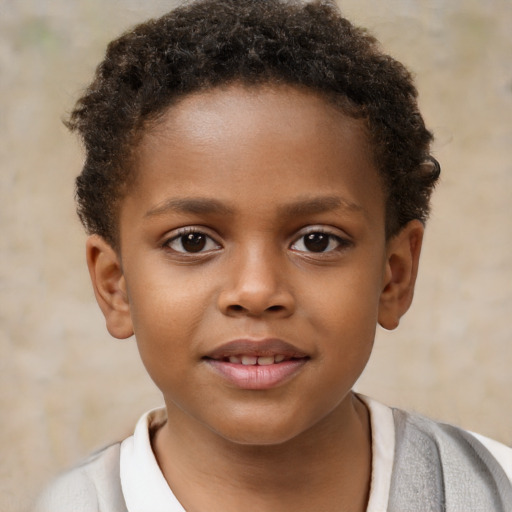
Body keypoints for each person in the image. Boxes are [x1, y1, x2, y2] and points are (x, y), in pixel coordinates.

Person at [34, 0, 512, 511]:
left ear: (393, 277)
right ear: (115, 285)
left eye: (317, 240)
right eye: (192, 241)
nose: (257, 291)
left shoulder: (492, 488)